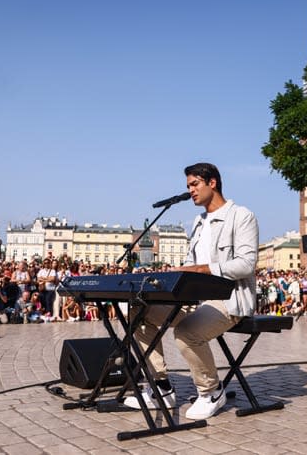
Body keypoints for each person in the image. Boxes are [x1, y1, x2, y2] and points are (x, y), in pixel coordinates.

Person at [124, 162, 258, 420]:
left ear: (212, 183)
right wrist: (171, 274)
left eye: (194, 184)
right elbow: (190, 264)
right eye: (188, 186)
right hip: (194, 299)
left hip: (228, 300)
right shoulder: (198, 222)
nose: (191, 191)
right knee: (138, 312)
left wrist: (202, 269)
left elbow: (246, 264)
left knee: (187, 332)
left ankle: (211, 391)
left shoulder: (241, 216)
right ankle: (161, 387)